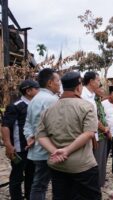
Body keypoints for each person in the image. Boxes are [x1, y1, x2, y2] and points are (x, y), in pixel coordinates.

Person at [37, 72, 100, 200]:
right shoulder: (86, 106)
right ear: (78, 87)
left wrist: (55, 151)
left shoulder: (48, 109)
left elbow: (41, 136)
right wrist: (67, 150)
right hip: (82, 166)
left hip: (57, 164)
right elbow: (89, 133)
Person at [23, 68, 60, 200]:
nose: (59, 83)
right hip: (48, 151)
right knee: (46, 185)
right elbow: (56, 127)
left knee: (39, 184)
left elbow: (27, 123)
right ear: (50, 83)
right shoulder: (52, 100)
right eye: (58, 80)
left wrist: (29, 137)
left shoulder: (34, 99)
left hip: (37, 150)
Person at [1, 80, 39, 200]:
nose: (39, 91)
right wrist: (8, 145)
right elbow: (5, 126)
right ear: (28, 91)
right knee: (17, 176)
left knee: (31, 175)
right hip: (19, 149)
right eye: (36, 89)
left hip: (33, 148)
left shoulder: (36, 105)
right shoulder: (16, 106)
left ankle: (29, 196)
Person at [94, 85, 111, 198]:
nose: (103, 90)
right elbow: (96, 120)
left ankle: (100, 182)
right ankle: (96, 184)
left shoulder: (99, 101)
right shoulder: (93, 102)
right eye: (100, 88)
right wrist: (105, 129)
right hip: (98, 136)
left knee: (102, 160)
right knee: (98, 161)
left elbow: (103, 117)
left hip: (103, 134)